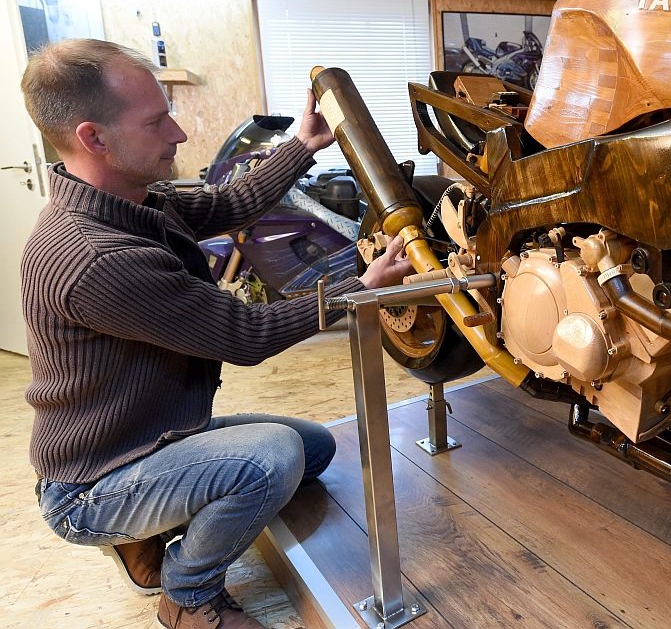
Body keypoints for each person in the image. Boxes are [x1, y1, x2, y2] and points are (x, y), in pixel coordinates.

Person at [19, 38, 412, 629]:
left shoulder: (130, 200)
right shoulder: (95, 256)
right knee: (269, 459)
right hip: (91, 483)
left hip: (148, 437)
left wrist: (301, 144)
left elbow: (227, 202)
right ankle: (188, 594)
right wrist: (356, 287)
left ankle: (146, 534)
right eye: (156, 122)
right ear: (93, 138)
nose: (177, 134)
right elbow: (244, 333)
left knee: (312, 447)